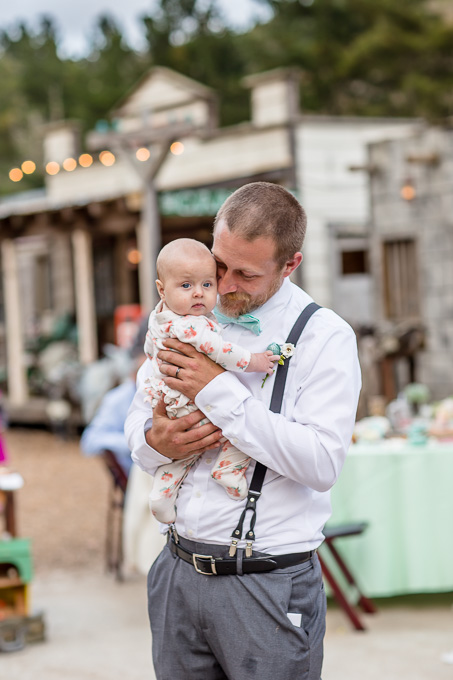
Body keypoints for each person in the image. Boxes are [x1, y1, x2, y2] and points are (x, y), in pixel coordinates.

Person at [125, 181, 361, 680]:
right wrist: (152, 441)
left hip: (266, 585)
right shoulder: (185, 311)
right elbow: (139, 412)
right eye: (219, 264)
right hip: (175, 572)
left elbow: (321, 464)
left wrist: (219, 392)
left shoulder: (324, 337)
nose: (223, 284)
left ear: (290, 264)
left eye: (246, 273)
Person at [143, 238, 279, 523]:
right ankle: (227, 470)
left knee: (186, 451)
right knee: (242, 426)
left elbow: (148, 351)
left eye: (207, 285)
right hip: (194, 400)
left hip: (172, 400)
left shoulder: (160, 318)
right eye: (186, 286)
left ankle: (162, 494)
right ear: (161, 289)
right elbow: (221, 351)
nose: (198, 294)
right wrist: (254, 361)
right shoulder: (190, 325)